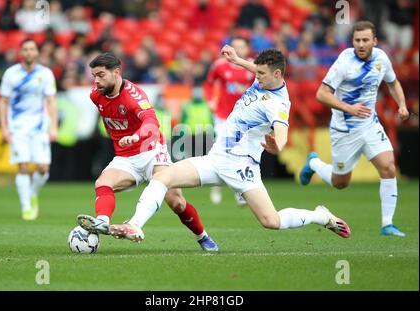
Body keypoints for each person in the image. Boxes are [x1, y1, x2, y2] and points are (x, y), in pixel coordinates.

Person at [108, 47, 351, 243]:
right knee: (161, 178)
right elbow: (256, 67)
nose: (256, 77)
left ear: (277, 75)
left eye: (261, 74)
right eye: (257, 72)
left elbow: (282, 131)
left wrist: (278, 146)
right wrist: (237, 60)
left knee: (271, 221)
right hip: (216, 160)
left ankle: (320, 216)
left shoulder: (278, 104)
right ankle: (134, 225)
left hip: (242, 168)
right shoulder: (265, 79)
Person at [76, 53, 218, 252]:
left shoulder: (134, 96)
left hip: (151, 150)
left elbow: (151, 121)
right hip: (125, 156)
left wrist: (136, 136)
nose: (96, 81)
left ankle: (202, 236)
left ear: (116, 73)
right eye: (94, 76)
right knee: (102, 183)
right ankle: (102, 222)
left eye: (101, 75)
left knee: (176, 202)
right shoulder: (96, 95)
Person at [299, 21, 410, 237]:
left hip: (370, 125)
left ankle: (388, 224)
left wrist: (403, 105)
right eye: (357, 40)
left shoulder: (381, 58)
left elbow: (393, 83)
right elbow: (322, 94)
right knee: (340, 183)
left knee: (388, 167)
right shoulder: (344, 62)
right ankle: (314, 162)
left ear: (374, 41)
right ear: (352, 41)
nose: (361, 44)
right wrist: (349, 107)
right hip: (344, 131)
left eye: (365, 40)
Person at [0, 38, 58, 220]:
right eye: (25, 49)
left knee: (43, 169)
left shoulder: (46, 74)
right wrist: (4, 128)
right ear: (21, 52)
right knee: (23, 166)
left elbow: (51, 101)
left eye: (32, 49)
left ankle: (32, 194)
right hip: (18, 127)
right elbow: (3, 101)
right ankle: (26, 206)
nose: (29, 52)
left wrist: (54, 126)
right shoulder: (11, 74)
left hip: (40, 126)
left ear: (37, 52)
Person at [204, 36, 255, 205]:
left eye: (242, 46)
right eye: (236, 46)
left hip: (244, 117)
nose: (239, 49)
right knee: (221, 150)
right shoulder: (220, 66)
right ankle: (215, 187)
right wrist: (211, 99)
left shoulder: (252, 66)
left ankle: (240, 192)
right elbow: (209, 83)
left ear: (247, 49)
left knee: (241, 153)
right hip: (223, 116)